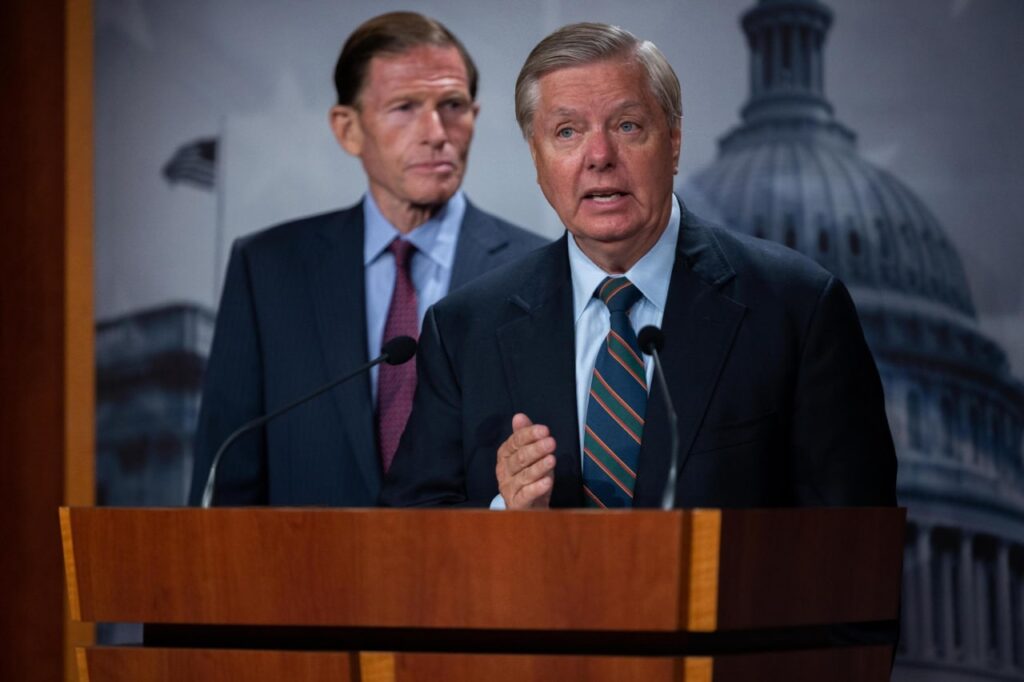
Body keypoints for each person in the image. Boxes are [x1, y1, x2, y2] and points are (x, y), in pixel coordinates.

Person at [380, 22, 897, 510]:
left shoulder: (798, 310)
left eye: (627, 126)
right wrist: (505, 519)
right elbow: (411, 531)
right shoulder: (464, 330)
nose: (600, 156)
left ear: (673, 141)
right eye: (567, 132)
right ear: (536, 158)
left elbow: (853, 541)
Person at [189, 12, 544, 506]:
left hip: (474, 554)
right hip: (306, 553)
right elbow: (226, 481)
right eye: (405, 107)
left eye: (453, 106)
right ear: (348, 128)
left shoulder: (536, 271)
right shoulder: (266, 270)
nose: (436, 132)